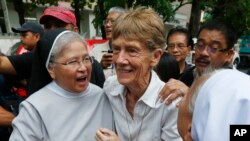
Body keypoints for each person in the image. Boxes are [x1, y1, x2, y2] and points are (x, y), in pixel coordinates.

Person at [9, 29, 113, 141]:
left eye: (86, 59)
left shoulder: (103, 96)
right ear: (51, 69)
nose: (83, 68)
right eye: (72, 62)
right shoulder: (34, 109)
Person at [95, 7, 181, 141]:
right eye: (116, 49)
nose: (120, 60)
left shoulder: (170, 103)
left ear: (155, 57)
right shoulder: (110, 87)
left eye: (132, 50)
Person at [160, 19, 237, 104]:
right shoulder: (187, 76)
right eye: (200, 45)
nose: (204, 53)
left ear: (229, 54)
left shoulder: (237, 87)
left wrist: (190, 94)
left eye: (214, 48)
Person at [91, 7, 125, 78]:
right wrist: (99, 66)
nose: (107, 25)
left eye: (112, 21)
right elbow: (89, 78)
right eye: (106, 21)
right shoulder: (96, 51)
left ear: (124, 24)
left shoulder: (131, 51)